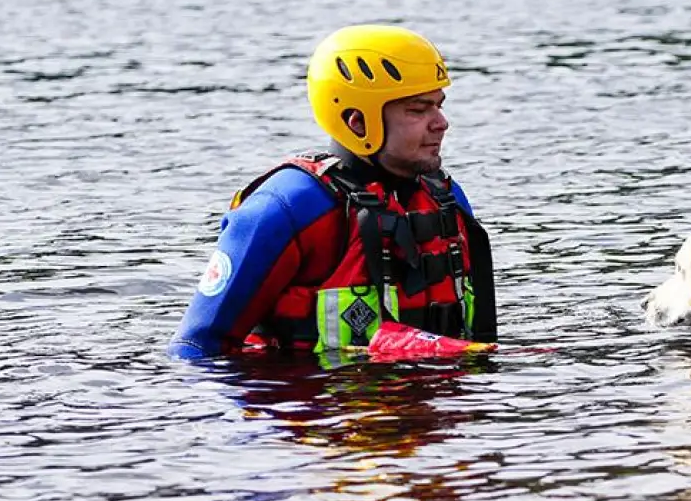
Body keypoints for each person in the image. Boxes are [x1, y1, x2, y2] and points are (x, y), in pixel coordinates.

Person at [169, 25, 496, 360]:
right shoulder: (287, 207)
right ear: (358, 122)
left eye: (439, 105)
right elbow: (194, 349)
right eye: (418, 109)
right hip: (314, 392)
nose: (441, 122)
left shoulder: (446, 197)